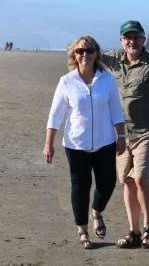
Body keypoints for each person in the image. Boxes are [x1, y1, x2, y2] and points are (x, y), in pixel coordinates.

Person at [44, 36, 126, 249]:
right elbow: (55, 115)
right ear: (74, 55)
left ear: (96, 53)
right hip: (76, 144)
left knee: (107, 182)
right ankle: (82, 229)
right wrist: (49, 143)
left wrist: (122, 137)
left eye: (89, 50)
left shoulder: (106, 79)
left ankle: (97, 211)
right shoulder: (66, 81)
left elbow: (116, 110)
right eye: (80, 51)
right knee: (81, 186)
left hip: (105, 141)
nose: (85, 55)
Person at [101, 20, 149, 249]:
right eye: (127, 38)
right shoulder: (113, 60)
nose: (132, 41)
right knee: (126, 181)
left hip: (148, 132)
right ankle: (133, 231)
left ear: (144, 39)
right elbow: (85, 52)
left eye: (136, 37)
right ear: (121, 41)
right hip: (121, 134)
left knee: (140, 178)